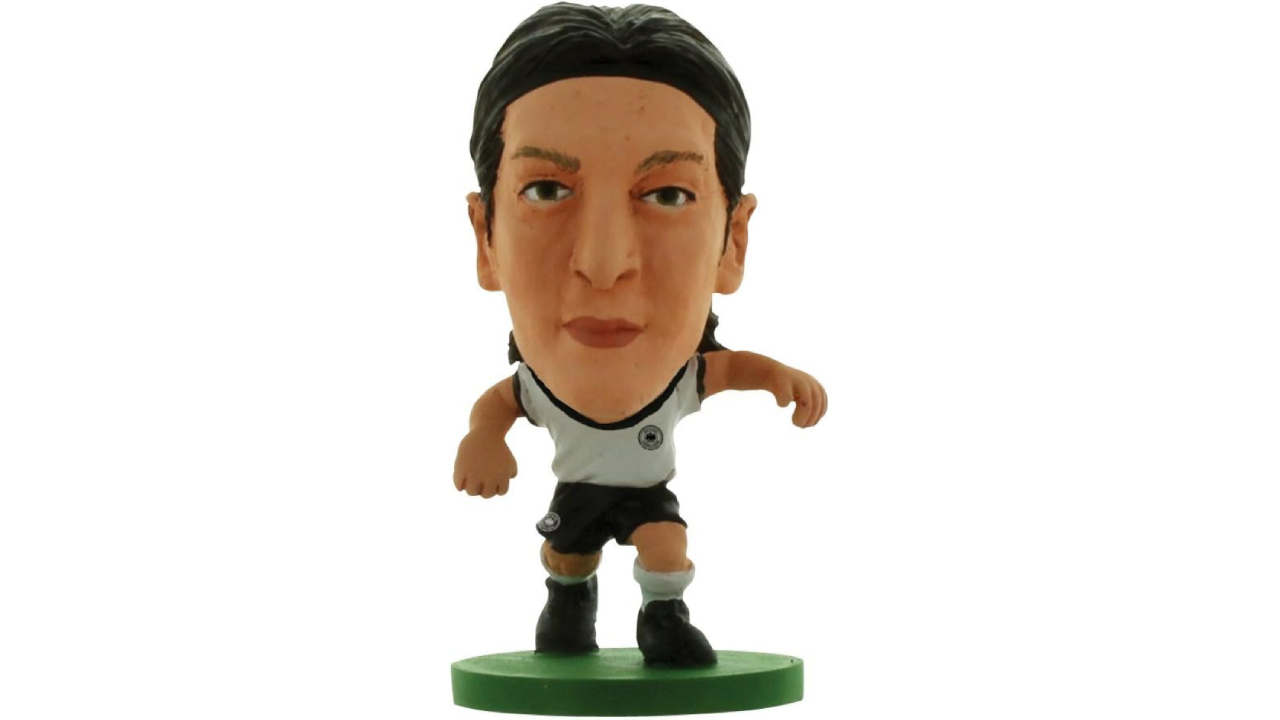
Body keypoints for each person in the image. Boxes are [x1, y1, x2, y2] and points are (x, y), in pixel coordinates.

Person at [452, 2, 827, 668]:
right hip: (578, 494)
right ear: (486, 240)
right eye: (546, 190)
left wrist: (779, 377)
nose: (603, 265)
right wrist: (483, 439)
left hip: (647, 493)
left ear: (732, 242)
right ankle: (568, 603)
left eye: (668, 195)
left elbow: (732, 369)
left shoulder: (684, 380)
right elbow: (498, 407)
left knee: (666, 547)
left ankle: (664, 618)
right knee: (567, 556)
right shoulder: (536, 389)